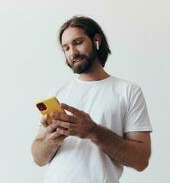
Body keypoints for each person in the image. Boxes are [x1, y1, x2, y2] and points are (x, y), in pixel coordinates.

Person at [31, 16, 153, 183]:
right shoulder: (58, 92)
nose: (72, 52)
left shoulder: (128, 91)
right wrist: (51, 139)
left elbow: (141, 160)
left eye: (78, 42)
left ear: (96, 40)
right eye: (66, 48)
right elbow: (38, 158)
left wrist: (93, 131)